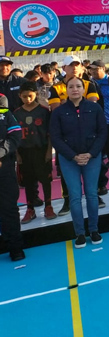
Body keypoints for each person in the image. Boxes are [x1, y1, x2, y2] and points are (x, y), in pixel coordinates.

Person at [50, 77, 107, 248]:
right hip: (69, 159)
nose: (75, 89)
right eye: (71, 87)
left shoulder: (94, 108)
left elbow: (102, 133)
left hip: (92, 158)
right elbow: (55, 138)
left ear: (83, 89)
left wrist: (90, 153)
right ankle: (80, 233)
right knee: (75, 196)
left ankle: (94, 230)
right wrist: (73, 156)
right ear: (66, 90)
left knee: (91, 194)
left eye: (78, 86)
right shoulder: (58, 112)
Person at [49, 55, 99, 216]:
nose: (75, 68)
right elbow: (56, 109)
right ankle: (67, 200)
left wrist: (68, 103)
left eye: (77, 65)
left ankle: (96, 196)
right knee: (66, 175)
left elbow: (91, 104)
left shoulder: (89, 84)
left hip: (89, 138)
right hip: (66, 140)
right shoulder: (55, 88)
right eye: (71, 65)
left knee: (93, 176)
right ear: (64, 68)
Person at [14, 82, 55, 223]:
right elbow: (14, 136)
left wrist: (49, 151)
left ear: (36, 94)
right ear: (20, 96)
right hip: (24, 152)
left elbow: (50, 134)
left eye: (30, 96)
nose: (27, 99)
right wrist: (17, 154)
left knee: (46, 180)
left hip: (41, 151)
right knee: (29, 182)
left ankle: (48, 206)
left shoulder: (44, 111)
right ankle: (30, 209)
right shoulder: (16, 113)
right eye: (24, 96)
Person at [0, 93, 25, 261]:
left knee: (8, 208)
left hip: (4, 166)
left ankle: (15, 248)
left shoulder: (3, 109)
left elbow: (16, 134)